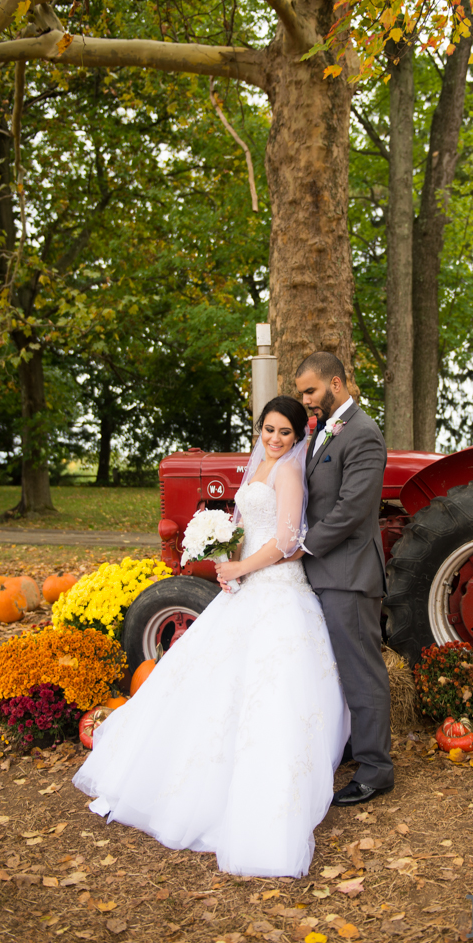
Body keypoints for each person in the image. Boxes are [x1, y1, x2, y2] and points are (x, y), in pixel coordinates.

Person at [73, 396, 350, 878]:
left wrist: (241, 564)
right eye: (269, 429)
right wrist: (225, 556)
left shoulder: (287, 472)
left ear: (296, 437)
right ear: (260, 428)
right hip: (243, 584)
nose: (275, 439)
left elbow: (287, 540)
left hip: (279, 590)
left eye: (285, 432)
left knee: (270, 691)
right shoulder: (259, 462)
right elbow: (244, 524)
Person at [295, 351, 394, 806]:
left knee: (361, 670)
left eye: (310, 391)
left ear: (336, 384)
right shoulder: (324, 429)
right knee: (337, 669)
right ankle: (355, 747)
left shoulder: (364, 433)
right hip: (323, 570)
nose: (306, 401)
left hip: (349, 572)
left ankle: (376, 770)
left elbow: (353, 509)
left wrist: (303, 545)